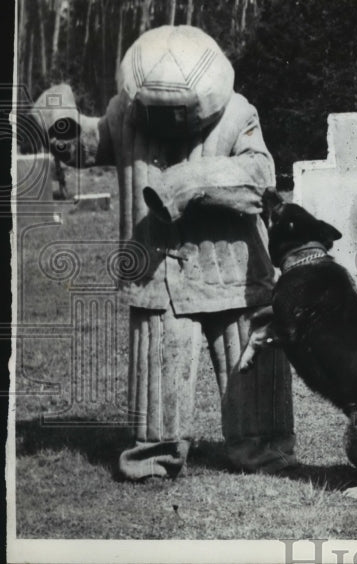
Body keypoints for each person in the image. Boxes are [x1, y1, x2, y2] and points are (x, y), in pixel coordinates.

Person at [35, 25, 296, 480]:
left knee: (251, 373)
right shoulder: (124, 114)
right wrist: (58, 120)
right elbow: (88, 145)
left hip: (230, 271)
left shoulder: (238, 113)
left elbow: (259, 177)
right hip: (157, 268)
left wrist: (189, 183)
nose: (171, 122)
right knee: (159, 370)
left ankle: (262, 447)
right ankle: (154, 455)